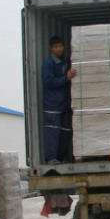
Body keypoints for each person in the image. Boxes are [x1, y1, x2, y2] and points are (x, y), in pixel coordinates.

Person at [42, 35, 76, 164]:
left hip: (64, 104)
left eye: (60, 46)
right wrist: (66, 78)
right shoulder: (48, 63)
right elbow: (48, 82)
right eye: (55, 47)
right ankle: (51, 158)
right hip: (52, 104)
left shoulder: (65, 62)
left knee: (66, 131)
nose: (59, 49)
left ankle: (60, 158)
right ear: (51, 48)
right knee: (53, 131)